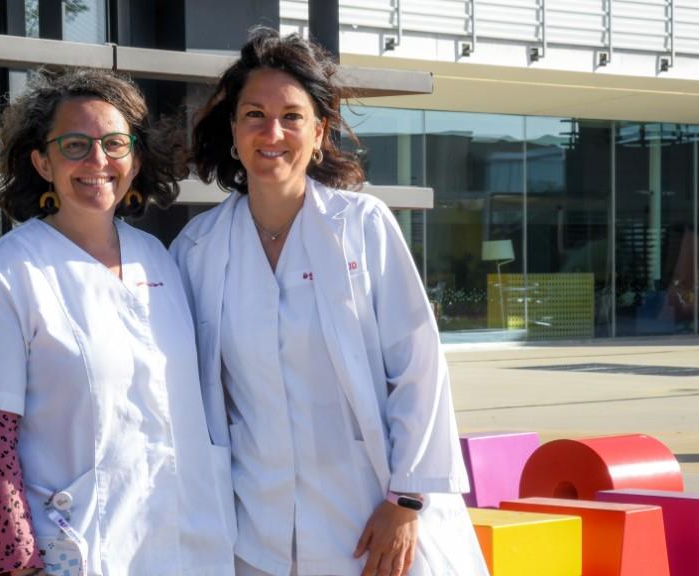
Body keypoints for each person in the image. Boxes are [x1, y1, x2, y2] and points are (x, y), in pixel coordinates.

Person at [171, 28, 488, 576]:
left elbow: (418, 368)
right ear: (233, 130)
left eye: (292, 116)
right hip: (256, 535)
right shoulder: (197, 250)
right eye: (254, 114)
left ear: (318, 133)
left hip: (373, 522)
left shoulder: (363, 226)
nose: (273, 132)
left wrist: (407, 500)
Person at [0, 68, 236, 576]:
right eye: (75, 145)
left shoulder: (158, 259)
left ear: (135, 159)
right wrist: (19, 563)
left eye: (115, 144)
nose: (97, 160)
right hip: (80, 550)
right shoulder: (7, 274)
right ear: (42, 162)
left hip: (191, 543)